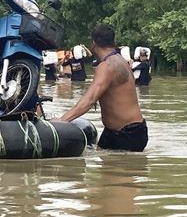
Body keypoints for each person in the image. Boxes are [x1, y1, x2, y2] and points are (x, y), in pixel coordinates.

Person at [53, 24, 148, 152]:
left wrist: (61, 121)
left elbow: (89, 100)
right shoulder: (120, 61)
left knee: (111, 170)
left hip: (127, 134)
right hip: (119, 131)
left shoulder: (107, 66)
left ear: (93, 43)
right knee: (101, 160)